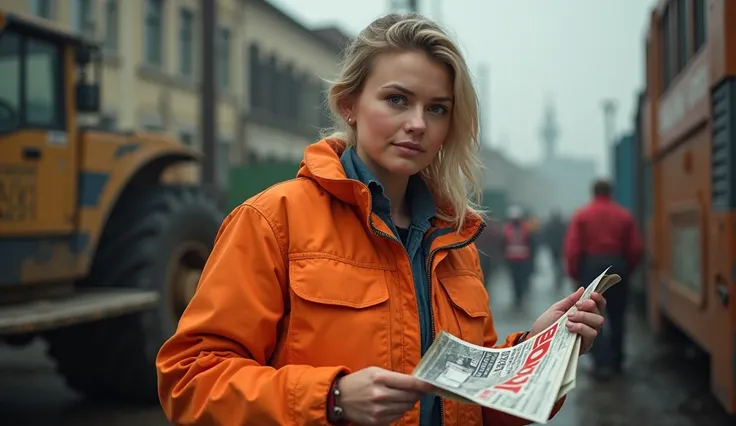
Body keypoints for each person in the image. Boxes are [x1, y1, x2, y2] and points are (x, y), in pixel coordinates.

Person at [156, 13, 606, 426]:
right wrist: (330, 398)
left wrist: (539, 351)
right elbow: (190, 382)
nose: (417, 124)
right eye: (397, 100)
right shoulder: (273, 221)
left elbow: (471, 408)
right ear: (349, 104)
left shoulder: (452, 239)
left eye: (437, 108)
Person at [564, 179, 643, 379]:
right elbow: (635, 248)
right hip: (617, 265)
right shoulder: (624, 215)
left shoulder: (582, 215)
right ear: (611, 192)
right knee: (618, 316)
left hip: (591, 268)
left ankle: (601, 363)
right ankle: (617, 361)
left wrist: (576, 275)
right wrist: (626, 270)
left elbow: (573, 249)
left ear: (593, 192)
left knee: (592, 316)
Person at [501, 205, 537, 306]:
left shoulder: (508, 229)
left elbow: (503, 245)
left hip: (516, 259)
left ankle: (518, 296)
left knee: (517, 279)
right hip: (518, 259)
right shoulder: (525, 228)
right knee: (517, 279)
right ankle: (518, 296)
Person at [543, 210, 567, 289]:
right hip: (559, 248)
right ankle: (559, 277)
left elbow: (546, 236)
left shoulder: (550, 226)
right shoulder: (562, 225)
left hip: (556, 248)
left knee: (557, 265)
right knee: (559, 265)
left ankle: (558, 277)